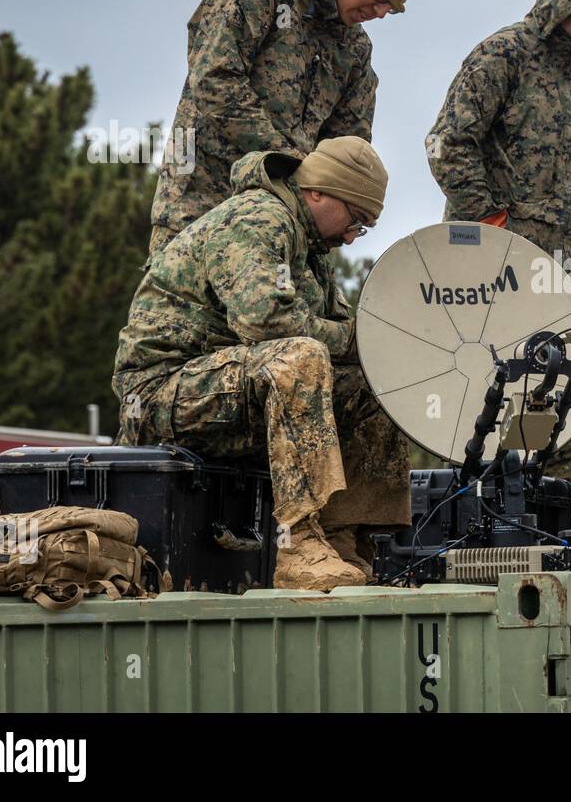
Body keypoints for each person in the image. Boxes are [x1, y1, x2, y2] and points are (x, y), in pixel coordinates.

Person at [113, 136, 409, 591]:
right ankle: (299, 547)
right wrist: (359, 339)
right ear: (318, 192)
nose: (352, 236)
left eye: (364, 227)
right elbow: (267, 322)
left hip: (230, 385)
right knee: (300, 357)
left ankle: (342, 541)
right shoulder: (258, 218)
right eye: (356, 219)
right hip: (161, 395)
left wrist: (386, 343)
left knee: (377, 381)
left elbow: (347, 331)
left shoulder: (310, 249)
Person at [426, 0, 571, 488]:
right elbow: (447, 142)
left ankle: (546, 512)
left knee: (559, 385)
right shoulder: (503, 55)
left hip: (566, 270)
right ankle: (464, 513)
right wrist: (486, 220)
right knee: (485, 385)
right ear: (560, 4)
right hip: (497, 267)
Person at [147, 0, 427, 256]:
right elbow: (213, 76)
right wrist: (288, 162)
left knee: (277, 314)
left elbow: (346, 150)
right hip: (201, 209)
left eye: (393, 7)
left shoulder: (355, 52)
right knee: (180, 311)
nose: (381, 11)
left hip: (283, 233)